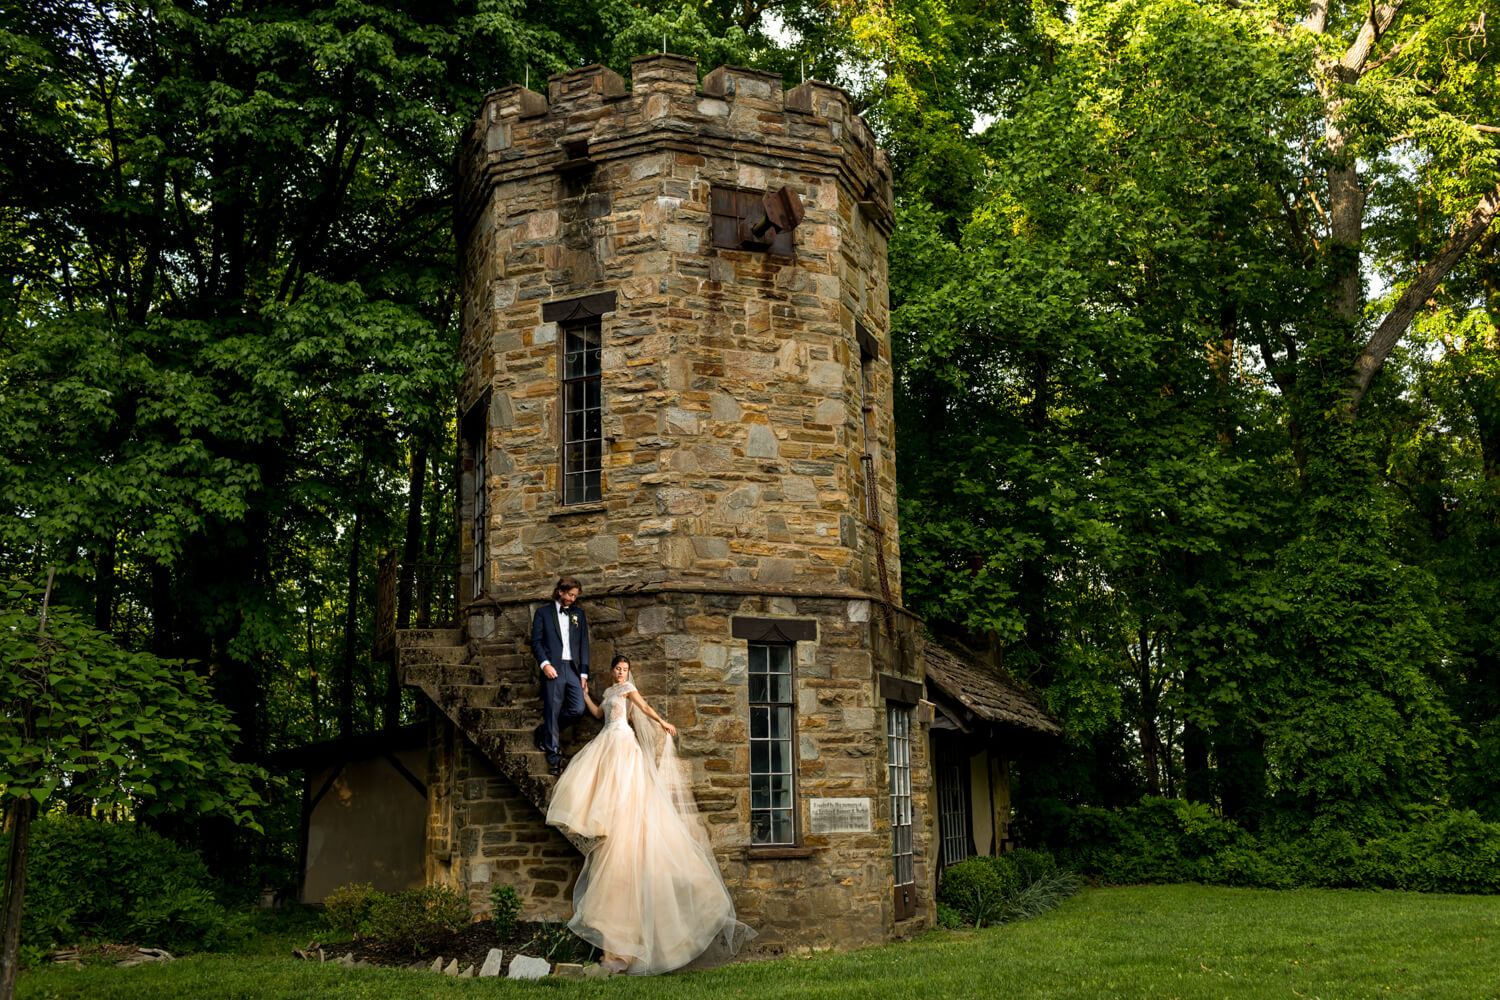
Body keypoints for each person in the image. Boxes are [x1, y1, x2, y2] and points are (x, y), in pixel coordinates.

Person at [546, 654, 753, 975]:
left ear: (628, 672)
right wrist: (586, 693)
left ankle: (620, 808)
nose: (620, 672)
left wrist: (663, 722)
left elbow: (643, 708)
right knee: (595, 776)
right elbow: (599, 713)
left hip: (622, 740)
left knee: (623, 777)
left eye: (624, 669)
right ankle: (604, 814)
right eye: (617, 668)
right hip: (606, 737)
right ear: (611, 670)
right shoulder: (609, 692)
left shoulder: (628, 689)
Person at [530, 577, 590, 776]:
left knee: (578, 709)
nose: (573, 599)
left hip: (572, 669)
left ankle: (544, 731)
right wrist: (545, 664)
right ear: (559, 592)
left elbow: (583, 645)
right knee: (553, 710)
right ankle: (554, 756)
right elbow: (536, 642)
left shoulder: (578, 615)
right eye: (570, 595)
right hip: (553, 668)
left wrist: (583, 673)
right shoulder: (543, 613)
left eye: (575, 596)